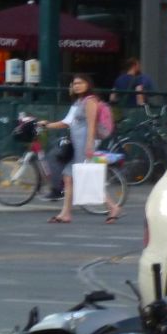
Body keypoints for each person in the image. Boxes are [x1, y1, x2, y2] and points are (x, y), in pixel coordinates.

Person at [41, 74, 121, 224]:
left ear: (88, 84)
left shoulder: (90, 101)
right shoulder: (78, 102)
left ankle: (113, 207)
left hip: (84, 143)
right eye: (74, 83)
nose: (77, 85)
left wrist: (89, 144)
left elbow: (91, 124)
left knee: (82, 177)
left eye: (80, 82)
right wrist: (48, 125)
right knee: (68, 177)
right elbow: (67, 122)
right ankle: (65, 213)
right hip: (76, 142)